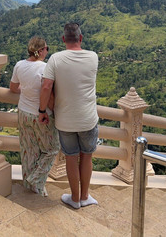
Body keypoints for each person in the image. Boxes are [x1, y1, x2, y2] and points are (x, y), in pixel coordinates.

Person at [39, 22, 99, 209]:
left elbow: (46, 86)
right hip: (88, 118)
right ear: (81, 38)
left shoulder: (55, 59)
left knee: (71, 157)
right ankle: (85, 196)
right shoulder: (93, 56)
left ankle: (74, 198)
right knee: (87, 156)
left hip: (65, 120)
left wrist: (42, 111)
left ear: (63, 39)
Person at [10, 36, 59, 196]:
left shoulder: (19, 65)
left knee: (28, 150)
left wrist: (26, 91)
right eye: (46, 48)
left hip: (23, 112)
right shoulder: (45, 68)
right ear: (40, 51)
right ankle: (35, 179)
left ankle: (32, 187)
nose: (47, 51)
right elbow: (48, 93)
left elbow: (13, 87)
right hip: (41, 115)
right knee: (52, 149)